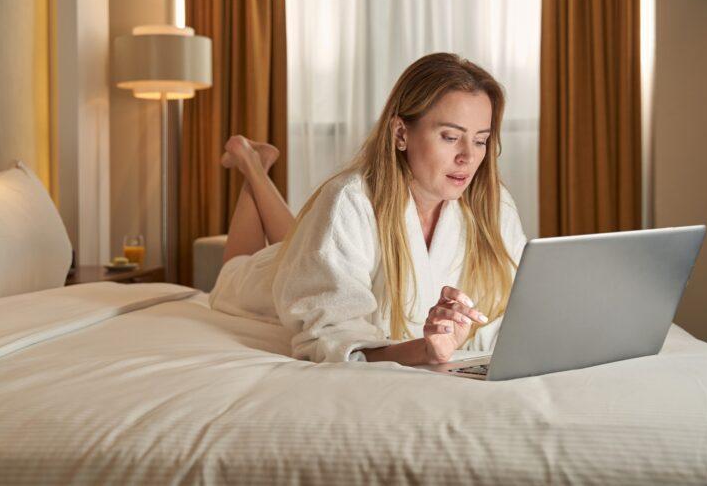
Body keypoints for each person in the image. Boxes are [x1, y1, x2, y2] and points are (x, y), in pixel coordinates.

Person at [210, 52, 527, 366]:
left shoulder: (493, 205)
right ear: (401, 132)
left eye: (481, 141)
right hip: (270, 281)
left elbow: (517, 311)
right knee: (235, 272)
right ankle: (250, 163)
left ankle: (254, 164)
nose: (468, 157)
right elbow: (330, 335)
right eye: (451, 137)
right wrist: (425, 351)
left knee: (293, 243)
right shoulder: (349, 200)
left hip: (311, 257)